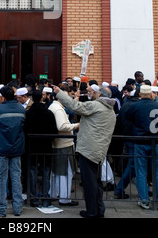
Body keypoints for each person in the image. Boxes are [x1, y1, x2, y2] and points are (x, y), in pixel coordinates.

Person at [54, 84, 116, 218]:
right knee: (96, 182)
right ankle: (99, 210)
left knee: (89, 183)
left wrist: (60, 93)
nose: (92, 94)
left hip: (88, 149)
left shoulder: (95, 105)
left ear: (99, 95)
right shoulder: (110, 110)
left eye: (95, 93)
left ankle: (91, 212)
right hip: (99, 150)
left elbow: (75, 107)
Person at [0, 85, 26, 217]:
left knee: (1, 178)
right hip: (17, 148)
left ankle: (1, 208)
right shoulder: (22, 109)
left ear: (3, 97)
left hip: (1, 147)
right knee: (16, 178)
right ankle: (17, 208)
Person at [125, 84, 158, 210]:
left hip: (140, 141)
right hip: (156, 142)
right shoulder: (156, 105)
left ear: (140, 95)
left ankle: (144, 200)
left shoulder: (135, 106)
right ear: (151, 94)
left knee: (141, 172)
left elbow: (127, 117)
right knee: (156, 171)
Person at [24, 90, 58, 208]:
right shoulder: (48, 113)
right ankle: (45, 197)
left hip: (32, 146)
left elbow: (24, 130)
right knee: (45, 172)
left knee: (32, 172)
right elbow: (54, 131)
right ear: (42, 98)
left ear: (32, 98)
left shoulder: (28, 113)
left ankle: (33, 198)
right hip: (46, 146)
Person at [49, 91, 79, 207]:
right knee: (65, 172)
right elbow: (61, 126)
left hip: (60, 143)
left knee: (58, 171)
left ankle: (55, 193)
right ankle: (64, 198)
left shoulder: (55, 106)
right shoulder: (58, 109)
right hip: (63, 144)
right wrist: (76, 125)